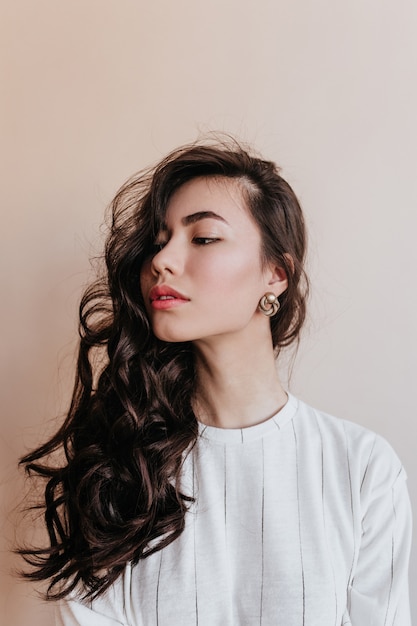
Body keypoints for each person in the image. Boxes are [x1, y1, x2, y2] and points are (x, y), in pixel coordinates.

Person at [20, 137, 412, 625]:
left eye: (202, 238)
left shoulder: (363, 469)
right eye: (159, 242)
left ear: (276, 273)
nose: (162, 260)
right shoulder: (121, 468)